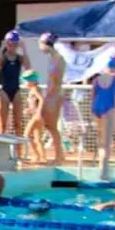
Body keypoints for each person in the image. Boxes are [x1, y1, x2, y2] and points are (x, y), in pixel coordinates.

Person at [24, 32, 66, 165]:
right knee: (48, 126)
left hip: (54, 96)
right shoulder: (53, 58)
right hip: (51, 95)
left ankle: (59, 157)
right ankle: (47, 156)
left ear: (46, 44)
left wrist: (49, 98)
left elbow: (56, 82)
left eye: (40, 44)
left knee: (51, 127)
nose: (39, 47)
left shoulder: (58, 59)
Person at [0, 30, 28, 141]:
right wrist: (1, 47)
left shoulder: (19, 58)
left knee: (18, 123)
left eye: (15, 44)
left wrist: (24, 49)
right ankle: (1, 147)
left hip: (16, 90)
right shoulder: (3, 57)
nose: (13, 47)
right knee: (2, 123)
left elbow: (28, 66)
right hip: (5, 91)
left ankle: (19, 149)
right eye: (10, 44)